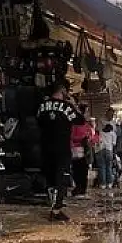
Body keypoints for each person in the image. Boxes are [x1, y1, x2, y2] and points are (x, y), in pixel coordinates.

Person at [36, 83, 83, 220]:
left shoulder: (42, 106)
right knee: (61, 179)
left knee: (50, 179)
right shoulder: (66, 106)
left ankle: (53, 206)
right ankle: (56, 210)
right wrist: (74, 103)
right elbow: (80, 120)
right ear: (62, 90)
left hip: (45, 148)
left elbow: (38, 122)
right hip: (62, 148)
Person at [69, 108, 95, 199]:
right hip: (84, 151)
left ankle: (78, 187)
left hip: (75, 151)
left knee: (76, 171)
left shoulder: (73, 127)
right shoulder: (87, 126)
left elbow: (71, 138)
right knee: (84, 171)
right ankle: (82, 189)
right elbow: (91, 138)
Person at [96, 122, 116, 189]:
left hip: (101, 150)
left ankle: (103, 184)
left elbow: (99, 142)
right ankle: (109, 183)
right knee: (109, 167)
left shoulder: (101, 133)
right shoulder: (113, 134)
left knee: (102, 168)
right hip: (109, 151)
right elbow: (114, 144)